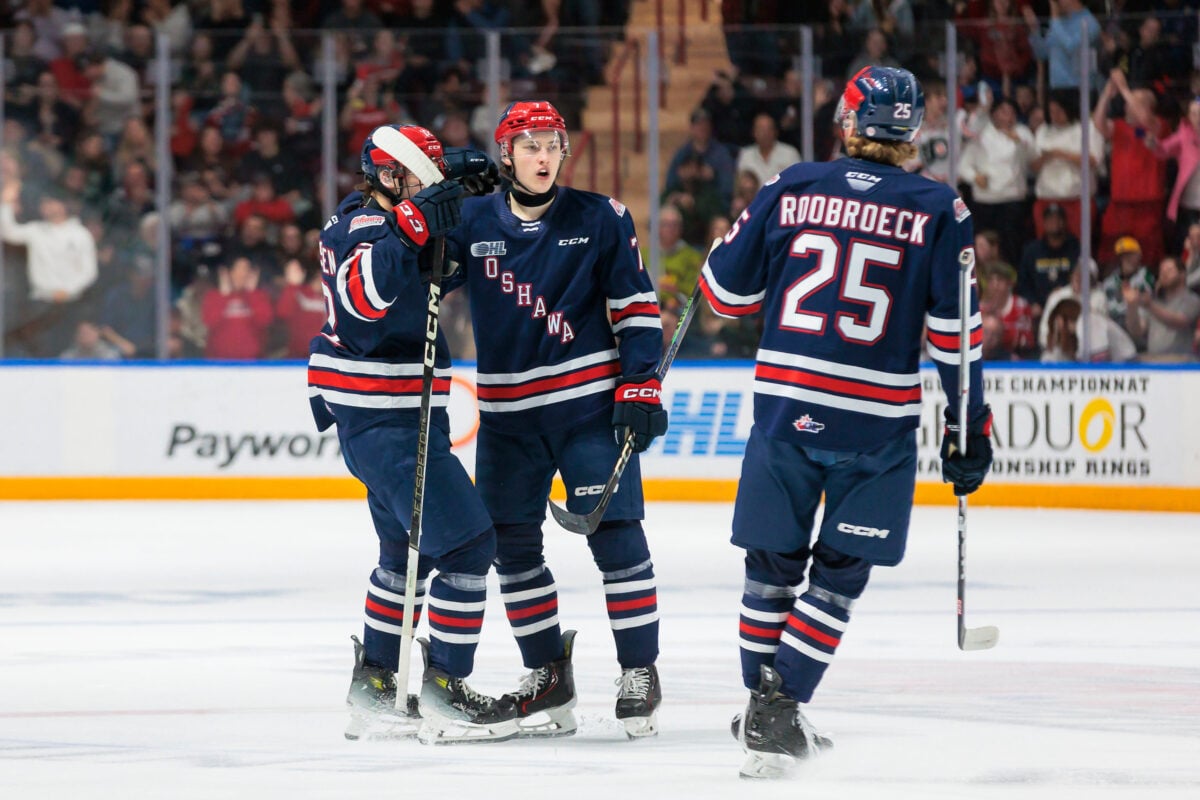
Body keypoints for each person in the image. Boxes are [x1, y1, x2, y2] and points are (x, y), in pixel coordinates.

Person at [699, 66, 993, 779]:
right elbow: (956, 336)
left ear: (848, 121)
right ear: (913, 130)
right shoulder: (939, 209)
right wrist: (969, 426)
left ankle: (762, 707)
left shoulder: (790, 186)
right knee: (838, 577)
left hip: (785, 405)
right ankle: (781, 705)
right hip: (875, 422)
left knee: (770, 566)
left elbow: (723, 294)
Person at [444, 100, 668, 739]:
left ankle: (639, 671)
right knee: (511, 552)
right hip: (509, 421)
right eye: (530, 145)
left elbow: (635, 309)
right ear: (506, 153)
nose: (544, 157)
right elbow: (426, 270)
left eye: (552, 145)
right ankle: (548, 673)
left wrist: (640, 384)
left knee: (618, 537)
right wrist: (438, 199)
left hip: (588, 411)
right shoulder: (476, 219)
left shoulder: (601, 217)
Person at [307, 124, 518, 743]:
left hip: (400, 411)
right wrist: (412, 225)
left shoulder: (383, 207)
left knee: (403, 555)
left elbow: (428, 228)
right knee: (467, 547)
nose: (426, 188)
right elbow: (361, 303)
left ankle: (374, 686)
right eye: (415, 177)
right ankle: (446, 690)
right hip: (383, 417)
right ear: (386, 178)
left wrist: (455, 172)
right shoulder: (362, 229)